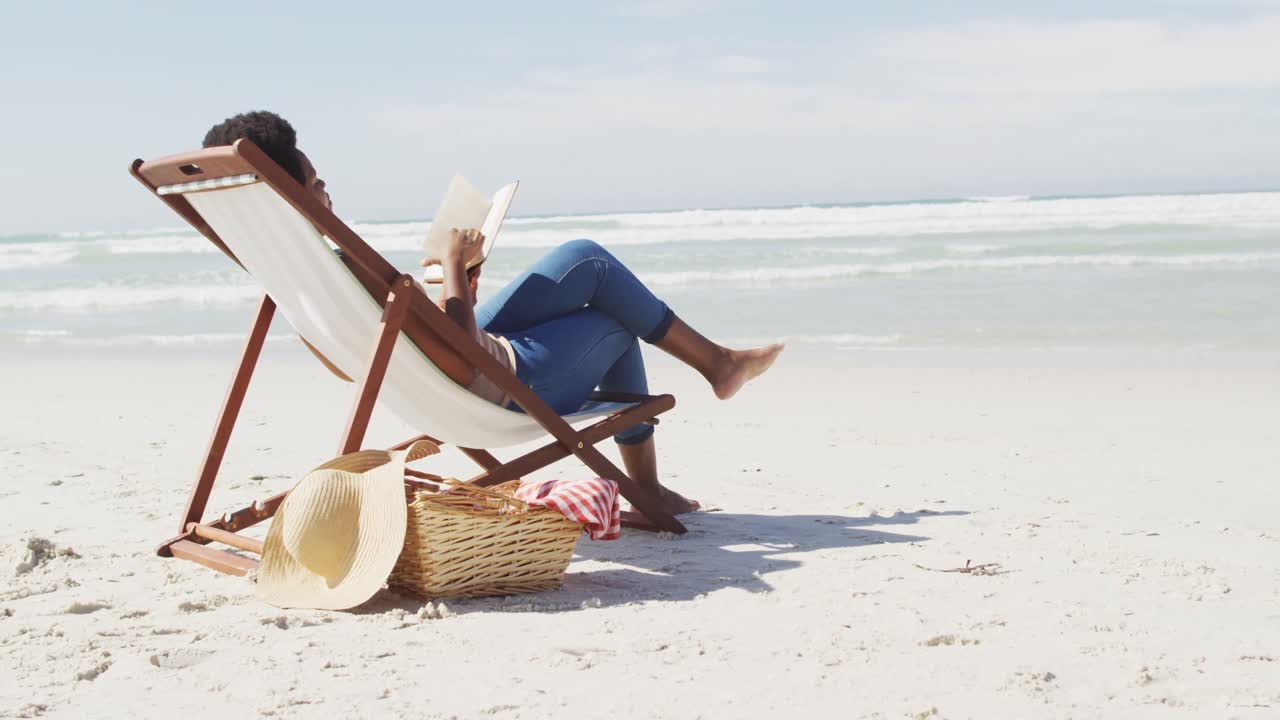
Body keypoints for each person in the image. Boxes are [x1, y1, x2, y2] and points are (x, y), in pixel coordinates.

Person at [203, 111, 783, 517]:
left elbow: (367, 361)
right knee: (613, 324)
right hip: (491, 383)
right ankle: (655, 475)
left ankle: (717, 364)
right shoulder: (345, 264)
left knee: (583, 262)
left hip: (451, 367)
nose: (326, 189)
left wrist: (461, 287)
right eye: (315, 181)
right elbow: (460, 362)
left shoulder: (297, 275)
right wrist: (454, 268)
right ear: (290, 191)